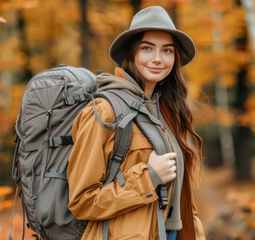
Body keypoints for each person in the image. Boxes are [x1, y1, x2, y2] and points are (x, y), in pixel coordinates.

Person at [67, 5, 205, 240]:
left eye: (167, 51)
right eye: (147, 49)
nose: (158, 59)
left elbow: (181, 199)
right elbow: (82, 201)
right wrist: (148, 178)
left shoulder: (166, 111)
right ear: (131, 54)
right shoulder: (105, 111)